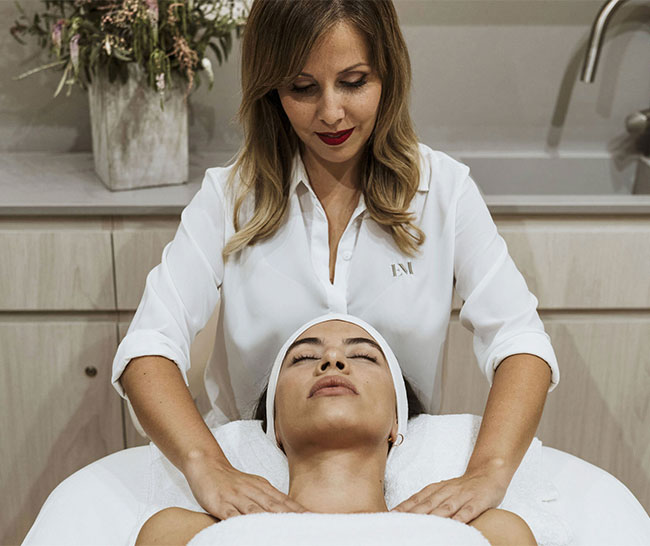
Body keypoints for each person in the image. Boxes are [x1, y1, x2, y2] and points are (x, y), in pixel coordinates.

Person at [114, 0, 560, 529]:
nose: (330, 112)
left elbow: (519, 340)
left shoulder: (443, 192)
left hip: (389, 478)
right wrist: (205, 464)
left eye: (353, 82)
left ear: (388, 74)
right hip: (252, 484)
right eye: (302, 88)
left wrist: (490, 470)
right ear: (271, 89)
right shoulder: (230, 197)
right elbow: (148, 346)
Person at [135, 315, 537, 546]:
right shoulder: (178, 535)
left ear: (396, 423)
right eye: (303, 358)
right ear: (275, 428)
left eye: (362, 355)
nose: (332, 360)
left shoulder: (492, 536)